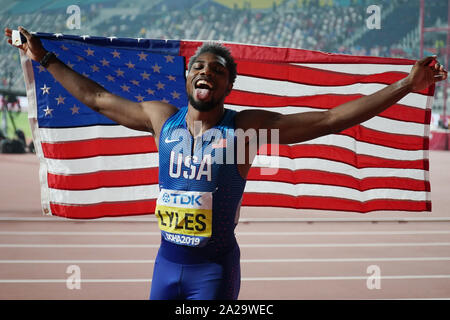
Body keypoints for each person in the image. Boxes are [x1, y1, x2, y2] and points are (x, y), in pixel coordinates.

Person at [5, 26, 447, 300]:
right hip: (164, 266)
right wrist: (43, 57)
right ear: (186, 76)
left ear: (230, 84)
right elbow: (96, 99)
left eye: (217, 70)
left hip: (212, 273)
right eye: (199, 66)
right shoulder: (161, 119)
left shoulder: (245, 130)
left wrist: (407, 84)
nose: (206, 72)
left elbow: (330, 119)